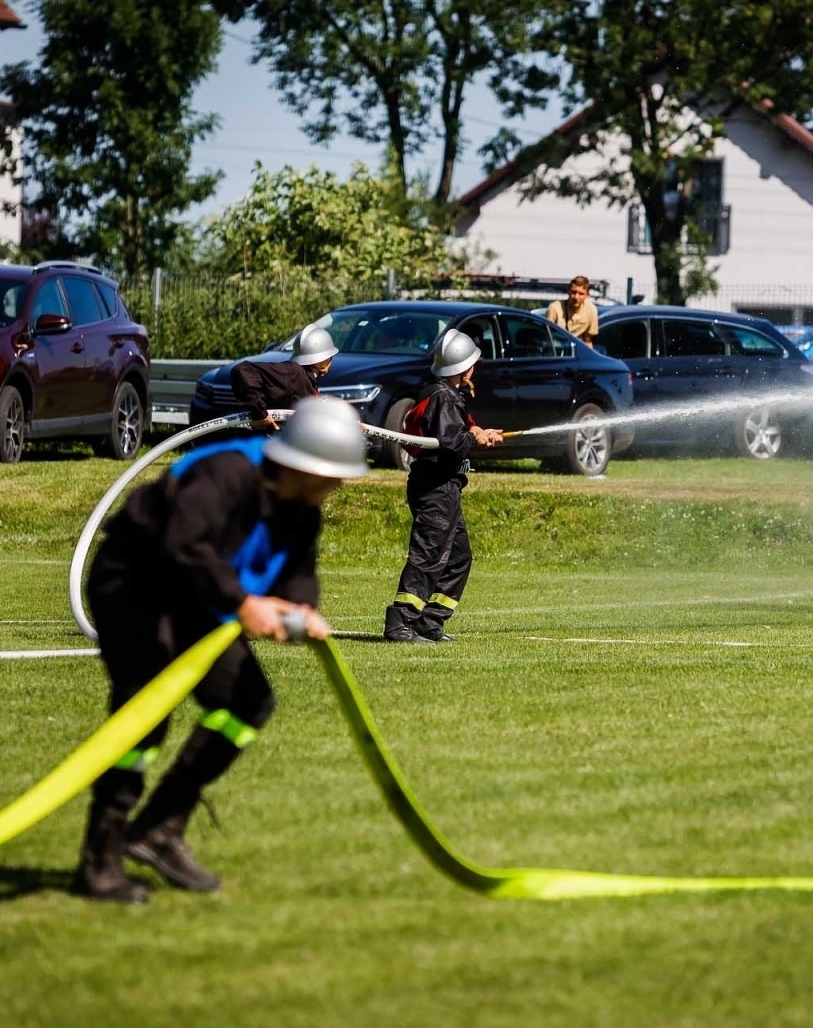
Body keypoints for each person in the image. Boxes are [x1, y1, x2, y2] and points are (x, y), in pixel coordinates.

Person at [73, 396, 369, 903]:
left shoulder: (303, 511)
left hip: (197, 597)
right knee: (144, 715)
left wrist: (303, 611)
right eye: (335, 475)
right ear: (306, 465)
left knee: (247, 703)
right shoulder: (228, 474)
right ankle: (99, 858)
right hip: (135, 586)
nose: (340, 486)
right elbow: (183, 545)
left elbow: (298, 573)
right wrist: (242, 603)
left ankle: (159, 829)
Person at [383, 329, 503, 644]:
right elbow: (452, 442)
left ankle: (428, 622)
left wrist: (477, 429)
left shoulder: (441, 393)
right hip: (437, 487)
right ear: (465, 368)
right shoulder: (444, 396)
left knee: (458, 557)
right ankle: (401, 623)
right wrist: (475, 438)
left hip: (442, 486)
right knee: (429, 555)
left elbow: (455, 427)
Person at [228, 326, 339, 433]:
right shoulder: (293, 372)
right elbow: (243, 371)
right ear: (323, 360)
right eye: (330, 357)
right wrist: (260, 414)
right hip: (279, 444)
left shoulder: (307, 379)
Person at [546, 276, 599, 347]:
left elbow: (587, 340)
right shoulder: (555, 308)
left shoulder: (591, 310)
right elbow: (548, 336)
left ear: (587, 295)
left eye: (581, 294)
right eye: (573, 292)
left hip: (578, 348)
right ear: (568, 292)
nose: (576, 297)